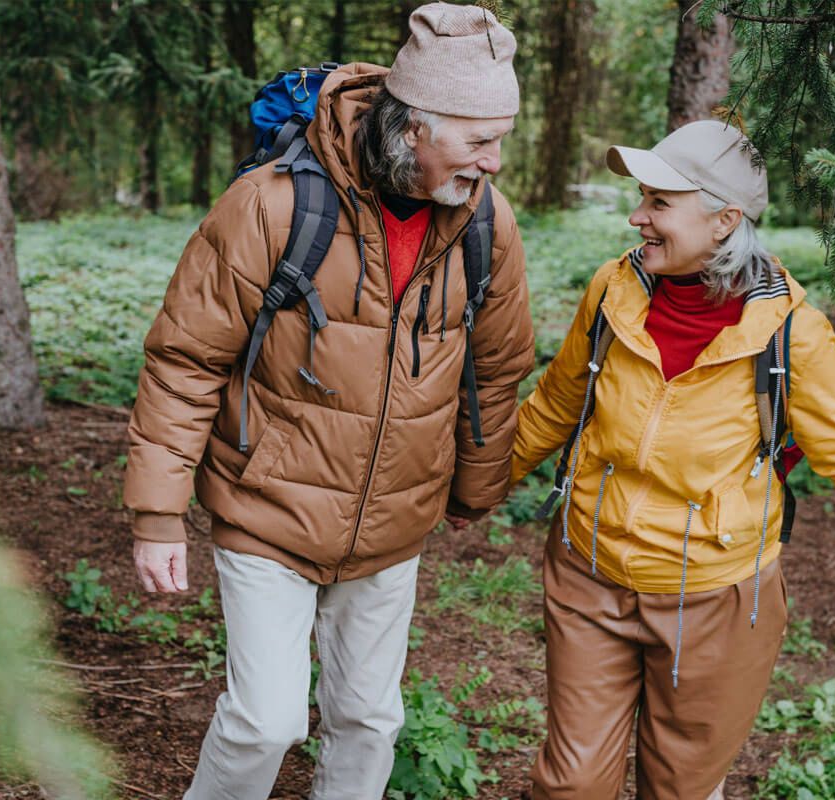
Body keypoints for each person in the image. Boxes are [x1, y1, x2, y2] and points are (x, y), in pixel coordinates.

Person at [510, 119, 835, 800]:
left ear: (723, 221)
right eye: (642, 198)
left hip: (715, 599)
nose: (636, 216)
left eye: (659, 203)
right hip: (589, 578)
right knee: (569, 787)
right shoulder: (611, 291)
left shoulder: (791, 333)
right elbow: (556, 405)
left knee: (681, 790)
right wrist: (463, 486)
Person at [121, 4, 534, 798]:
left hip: (391, 523)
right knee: (265, 721)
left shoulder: (487, 224)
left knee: (370, 722)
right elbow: (185, 358)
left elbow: (496, 366)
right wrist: (158, 513)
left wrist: (473, 488)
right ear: (415, 127)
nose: (494, 162)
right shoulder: (275, 205)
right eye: (479, 140)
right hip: (266, 507)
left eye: (502, 139)